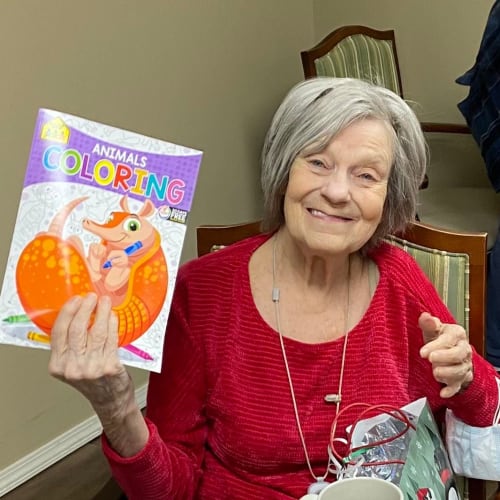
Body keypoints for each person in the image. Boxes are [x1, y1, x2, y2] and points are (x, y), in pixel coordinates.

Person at [49, 77, 499, 500]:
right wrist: (120, 412)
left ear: (389, 197)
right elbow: (170, 489)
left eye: (366, 176)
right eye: (318, 162)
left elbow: (482, 414)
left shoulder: (399, 279)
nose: (338, 191)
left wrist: (467, 378)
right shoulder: (203, 292)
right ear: (284, 169)